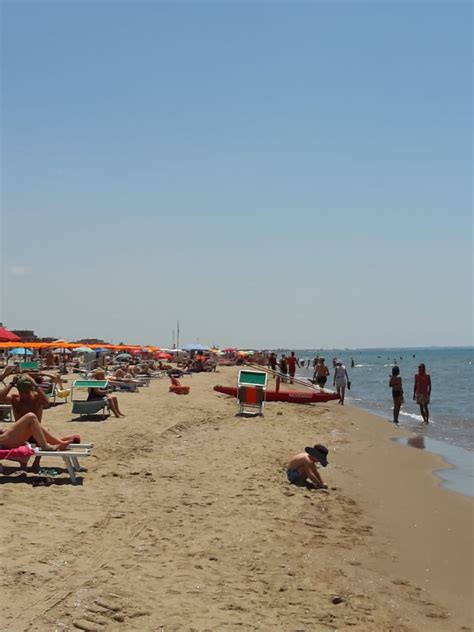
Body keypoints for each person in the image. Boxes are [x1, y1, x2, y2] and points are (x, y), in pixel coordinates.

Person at [0, 414, 73, 451]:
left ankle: (60, 443)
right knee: (31, 417)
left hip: (4, 439)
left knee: (33, 423)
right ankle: (45, 446)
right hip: (3, 442)